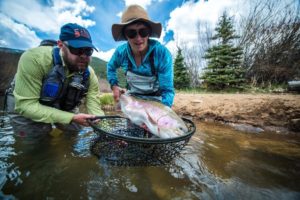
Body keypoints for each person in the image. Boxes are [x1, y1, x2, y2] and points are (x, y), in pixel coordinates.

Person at [5, 23, 104, 138]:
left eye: (88, 51)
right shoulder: (34, 59)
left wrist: (106, 132)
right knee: (35, 141)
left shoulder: (90, 74)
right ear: (60, 45)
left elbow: (95, 111)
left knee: (74, 132)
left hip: (62, 103)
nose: (83, 55)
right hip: (27, 101)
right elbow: (26, 105)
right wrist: (71, 117)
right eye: (76, 49)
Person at [107, 4, 175, 107]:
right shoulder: (120, 53)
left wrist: (160, 113)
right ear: (125, 35)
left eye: (143, 32)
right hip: (133, 100)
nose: (138, 38)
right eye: (131, 33)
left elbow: (167, 91)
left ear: (149, 33)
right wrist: (114, 86)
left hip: (156, 101)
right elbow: (110, 67)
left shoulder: (161, 54)